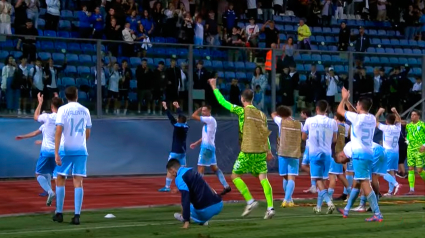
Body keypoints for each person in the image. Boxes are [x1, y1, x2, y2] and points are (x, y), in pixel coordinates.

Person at [208, 78, 275, 219]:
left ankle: (250, 201)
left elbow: (222, 102)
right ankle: (270, 208)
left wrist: (214, 87)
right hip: (261, 151)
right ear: (252, 99)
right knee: (263, 178)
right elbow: (265, 135)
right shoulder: (262, 115)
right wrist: (269, 151)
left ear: (242, 99)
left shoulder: (242, 111)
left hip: (248, 150)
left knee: (234, 176)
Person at [336, 87, 383, 222]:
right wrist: (349, 102)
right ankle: (346, 210)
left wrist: (344, 99)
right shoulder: (372, 118)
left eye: (357, 104)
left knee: (364, 183)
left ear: (360, 105)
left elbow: (340, 111)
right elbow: (356, 113)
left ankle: (377, 213)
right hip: (368, 153)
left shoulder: (357, 118)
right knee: (357, 183)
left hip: (359, 154)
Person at [53, 86, 92, 225]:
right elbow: (87, 133)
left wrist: (56, 152)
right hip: (81, 150)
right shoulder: (85, 110)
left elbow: (58, 131)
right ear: (77, 95)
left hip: (65, 149)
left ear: (66, 96)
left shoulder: (62, 109)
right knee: (78, 181)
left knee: (60, 179)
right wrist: (80, 141)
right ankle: (77, 216)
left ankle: (59, 212)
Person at [15, 92, 63, 206]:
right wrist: (57, 99)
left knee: (38, 174)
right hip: (58, 151)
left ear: (51, 107)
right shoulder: (63, 119)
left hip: (46, 151)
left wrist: (40, 102)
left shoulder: (47, 118)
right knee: (54, 174)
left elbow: (36, 117)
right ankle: (59, 202)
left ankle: (50, 191)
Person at [302, 100, 337, 214]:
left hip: (314, 153)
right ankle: (318, 207)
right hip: (327, 153)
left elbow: (303, 137)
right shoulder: (332, 122)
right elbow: (335, 139)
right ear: (326, 110)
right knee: (322, 180)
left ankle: (329, 203)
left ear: (316, 109)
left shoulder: (309, 120)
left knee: (317, 180)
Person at [168, 159, 223, 228]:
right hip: (218, 205)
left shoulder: (179, 178)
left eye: (169, 172)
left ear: (172, 170)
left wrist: (186, 222)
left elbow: (185, 201)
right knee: (206, 189)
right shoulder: (191, 170)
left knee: (184, 201)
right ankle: (201, 218)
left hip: (205, 211)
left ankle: (193, 219)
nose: (170, 175)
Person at [190, 105, 231, 195]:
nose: (203, 113)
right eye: (202, 111)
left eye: (204, 111)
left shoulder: (210, 119)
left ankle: (199, 189)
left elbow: (193, 116)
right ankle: (226, 186)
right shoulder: (208, 123)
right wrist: (196, 143)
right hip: (210, 147)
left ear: (209, 111)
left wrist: (199, 109)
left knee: (200, 168)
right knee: (214, 168)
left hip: (206, 148)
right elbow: (205, 137)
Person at [336, 142, 386, 213]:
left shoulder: (347, 150)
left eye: (341, 162)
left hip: (371, 153)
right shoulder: (351, 145)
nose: (344, 163)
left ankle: (363, 206)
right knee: (372, 178)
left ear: (341, 155)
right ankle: (375, 202)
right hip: (380, 150)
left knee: (362, 181)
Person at [272, 105, 302, 207]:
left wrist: (278, 113)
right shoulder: (299, 124)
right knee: (291, 178)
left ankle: (287, 199)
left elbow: (273, 114)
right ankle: (288, 199)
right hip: (294, 153)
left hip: (283, 152)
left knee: (285, 177)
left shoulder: (280, 121)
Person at [158, 101, 189, 192]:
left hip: (175, 151)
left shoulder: (177, 126)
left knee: (170, 167)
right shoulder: (186, 126)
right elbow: (182, 116)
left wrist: (165, 107)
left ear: (179, 120)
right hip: (183, 152)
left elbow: (171, 118)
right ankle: (184, 186)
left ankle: (167, 187)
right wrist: (178, 107)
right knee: (183, 169)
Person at [375, 107, 402, 196]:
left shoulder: (386, 128)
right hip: (395, 153)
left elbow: (375, 121)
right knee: (391, 172)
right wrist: (395, 111)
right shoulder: (398, 128)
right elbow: (399, 120)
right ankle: (390, 191)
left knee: (382, 172)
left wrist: (379, 112)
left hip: (388, 152)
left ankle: (396, 184)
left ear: (386, 121)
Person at [328, 114, 351, 199]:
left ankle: (329, 196)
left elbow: (333, 140)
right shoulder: (345, 127)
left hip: (334, 154)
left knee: (332, 176)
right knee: (340, 175)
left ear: (336, 118)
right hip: (341, 153)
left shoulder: (335, 127)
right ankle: (350, 193)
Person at [405, 110, 425, 195]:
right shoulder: (408, 126)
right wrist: (407, 140)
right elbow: (409, 135)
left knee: (419, 170)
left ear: (418, 116)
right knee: (410, 169)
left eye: (414, 115)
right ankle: (411, 189)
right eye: (412, 115)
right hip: (410, 150)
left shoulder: (422, 125)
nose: (412, 116)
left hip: (420, 149)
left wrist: (424, 145)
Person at [299, 109, 316, 194]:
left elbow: (303, 137)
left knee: (304, 165)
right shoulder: (314, 121)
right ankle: (314, 184)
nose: (300, 115)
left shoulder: (308, 121)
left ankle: (316, 181)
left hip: (309, 146)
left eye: (302, 113)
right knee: (308, 165)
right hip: (311, 146)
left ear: (305, 114)